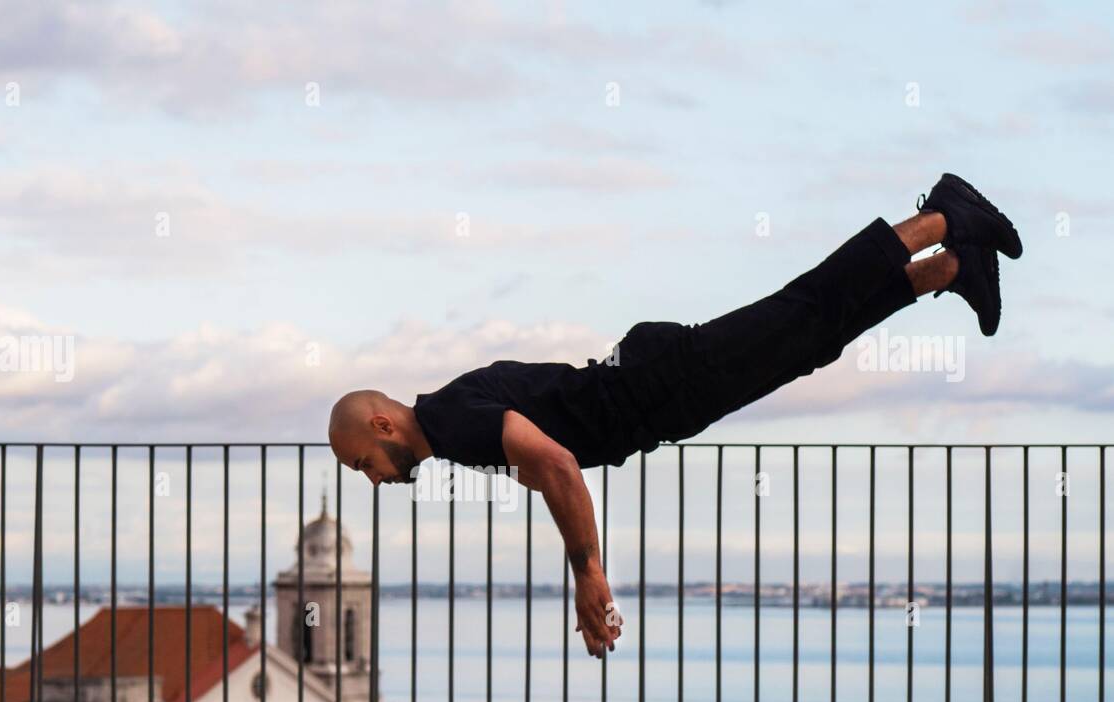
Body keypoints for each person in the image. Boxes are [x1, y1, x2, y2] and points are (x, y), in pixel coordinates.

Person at [327, 173, 1022, 658]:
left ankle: (940, 216)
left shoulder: (448, 424)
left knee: (805, 310)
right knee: (811, 340)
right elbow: (548, 458)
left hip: (664, 384)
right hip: (661, 387)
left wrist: (588, 573)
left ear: (383, 427)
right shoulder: (455, 421)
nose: (372, 478)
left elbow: (559, 465)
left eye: (364, 463)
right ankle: (953, 266)